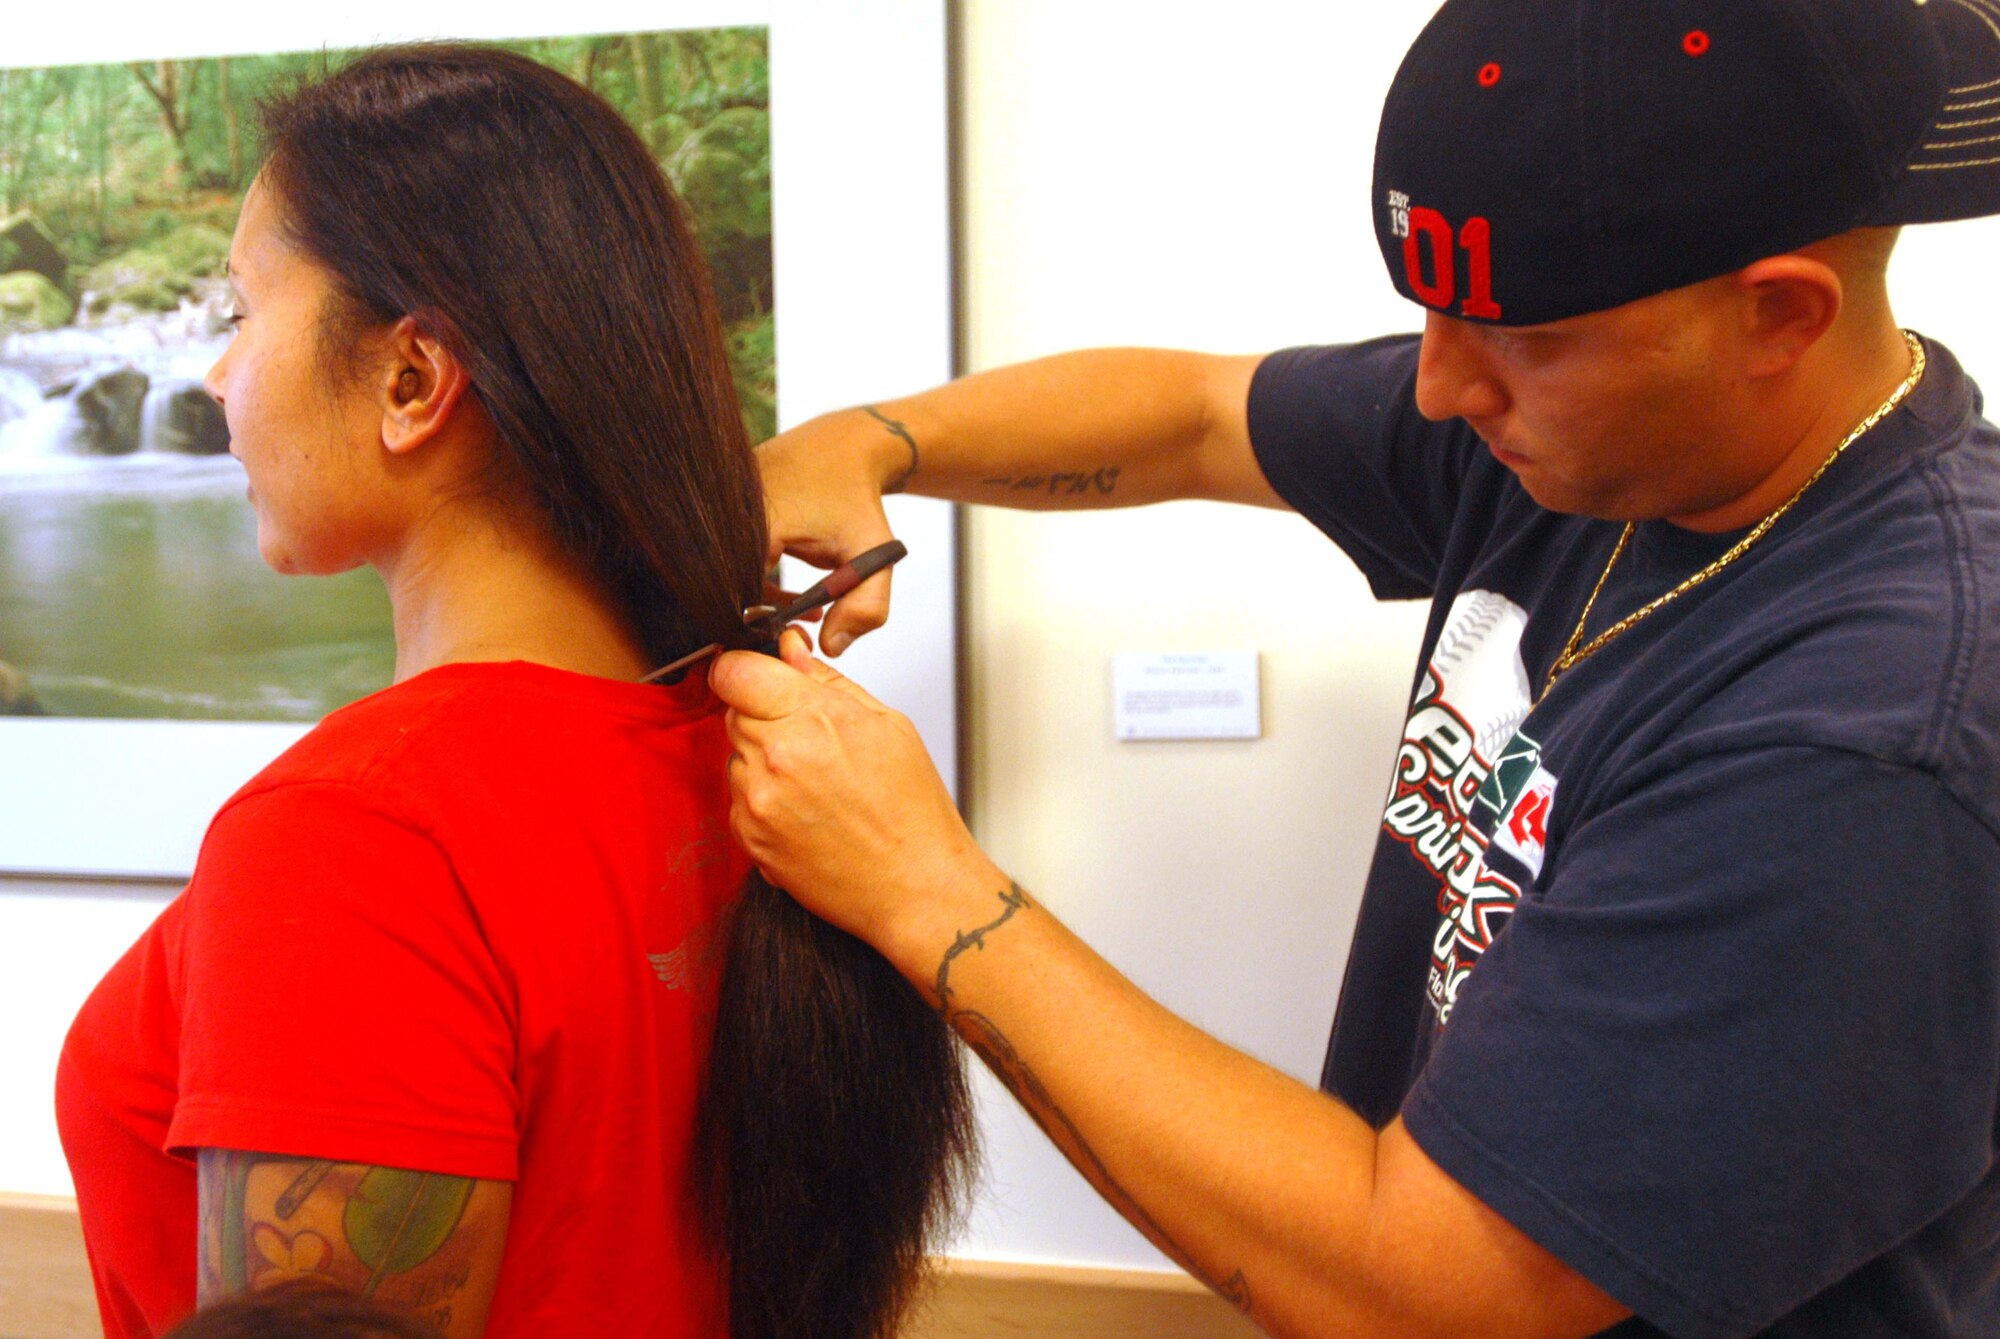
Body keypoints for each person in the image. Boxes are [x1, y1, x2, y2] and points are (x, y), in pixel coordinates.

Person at [713, 2, 2000, 1336]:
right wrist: (864, 444)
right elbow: (1199, 416)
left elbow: (1430, 1291)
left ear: (1779, 315)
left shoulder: (1868, 740)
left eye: (1523, 337)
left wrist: (923, 887)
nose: (1440, 391)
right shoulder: (1604, 444)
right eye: (1434, 319)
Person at [54, 44, 971, 1339]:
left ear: (413, 379)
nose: (216, 379)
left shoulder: (360, 838)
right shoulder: (761, 755)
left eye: (239, 312)